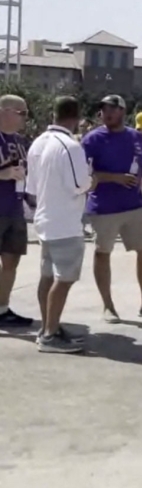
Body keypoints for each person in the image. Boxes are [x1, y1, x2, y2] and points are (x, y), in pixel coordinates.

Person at [83, 94, 142, 323]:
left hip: (134, 207)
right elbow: (83, 174)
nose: (107, 113)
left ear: (122, 112)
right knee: (103, 253)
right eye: (104, 109)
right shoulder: (92, 139)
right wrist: (114, 177)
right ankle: (108, 306)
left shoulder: (135, 137)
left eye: (112, 109)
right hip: (104, 207)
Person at [25, 96, 92, 352]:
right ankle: (50, 336)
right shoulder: (70, 146)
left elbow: (31, 188)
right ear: (75, 119)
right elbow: (79, 184)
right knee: (63, 280)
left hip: (44, 221)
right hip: (65, 223)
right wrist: (92, 180)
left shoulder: (38, 143)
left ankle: (48, 326)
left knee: (47, 277)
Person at [0, 94, 30, 328]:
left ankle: (2, 308)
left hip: (15, 208)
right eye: (22, 113)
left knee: (12, 260)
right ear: (6, 111)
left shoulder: (20, 141)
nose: (25, 118)